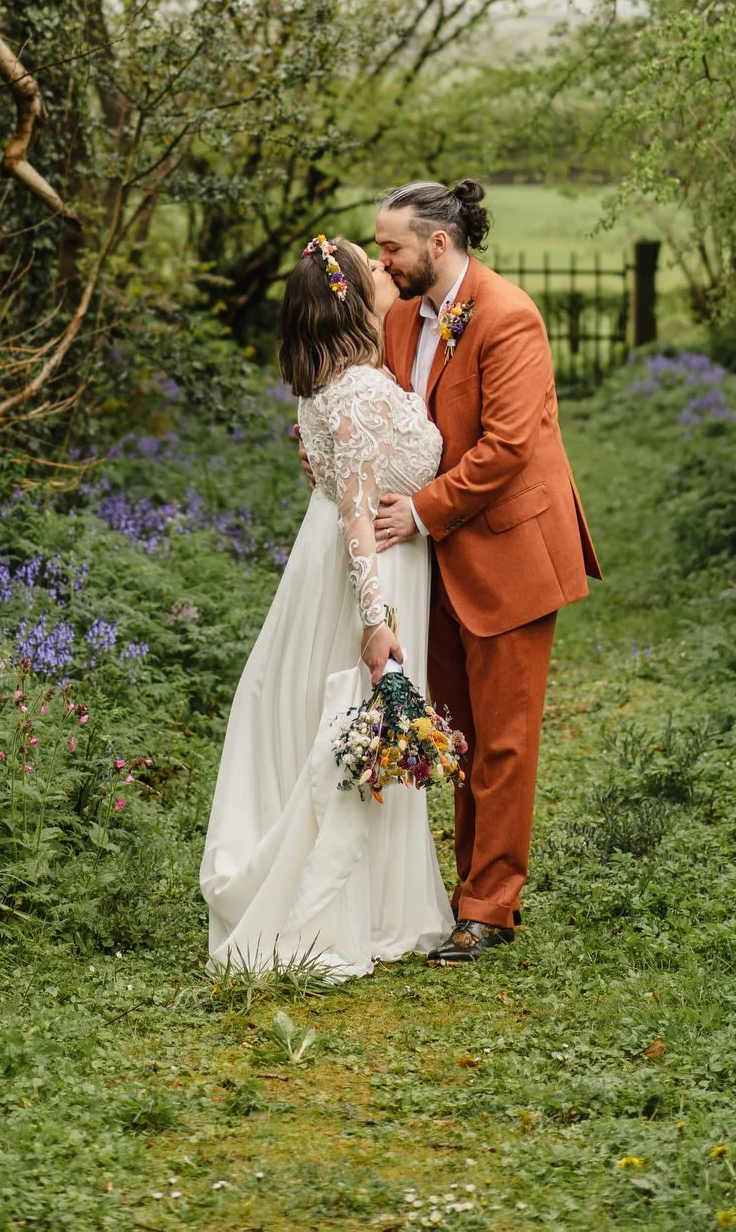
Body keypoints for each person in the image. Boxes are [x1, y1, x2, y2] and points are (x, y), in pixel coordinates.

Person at [200, 234, 453, 977]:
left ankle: (367, 894)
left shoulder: (324, 388)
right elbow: (356, 514)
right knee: (358, 719)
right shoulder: (363, 391)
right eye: (371, 265)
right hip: (366, 568)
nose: (383, 267)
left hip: (328, 562)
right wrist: (376, 622)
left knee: (340, 720)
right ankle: (352, 907)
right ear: (352, 298)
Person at [372, 178, 601, 964]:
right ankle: (467, 886)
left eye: (392, 247)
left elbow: (505, 449)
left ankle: (489, 908)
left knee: (503, 741)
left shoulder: (509, 317)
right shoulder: (400, 318)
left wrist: (419, 511)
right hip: (434, 563)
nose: (382, 261)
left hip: (508, 552)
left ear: (438, 243)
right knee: (457, 732)